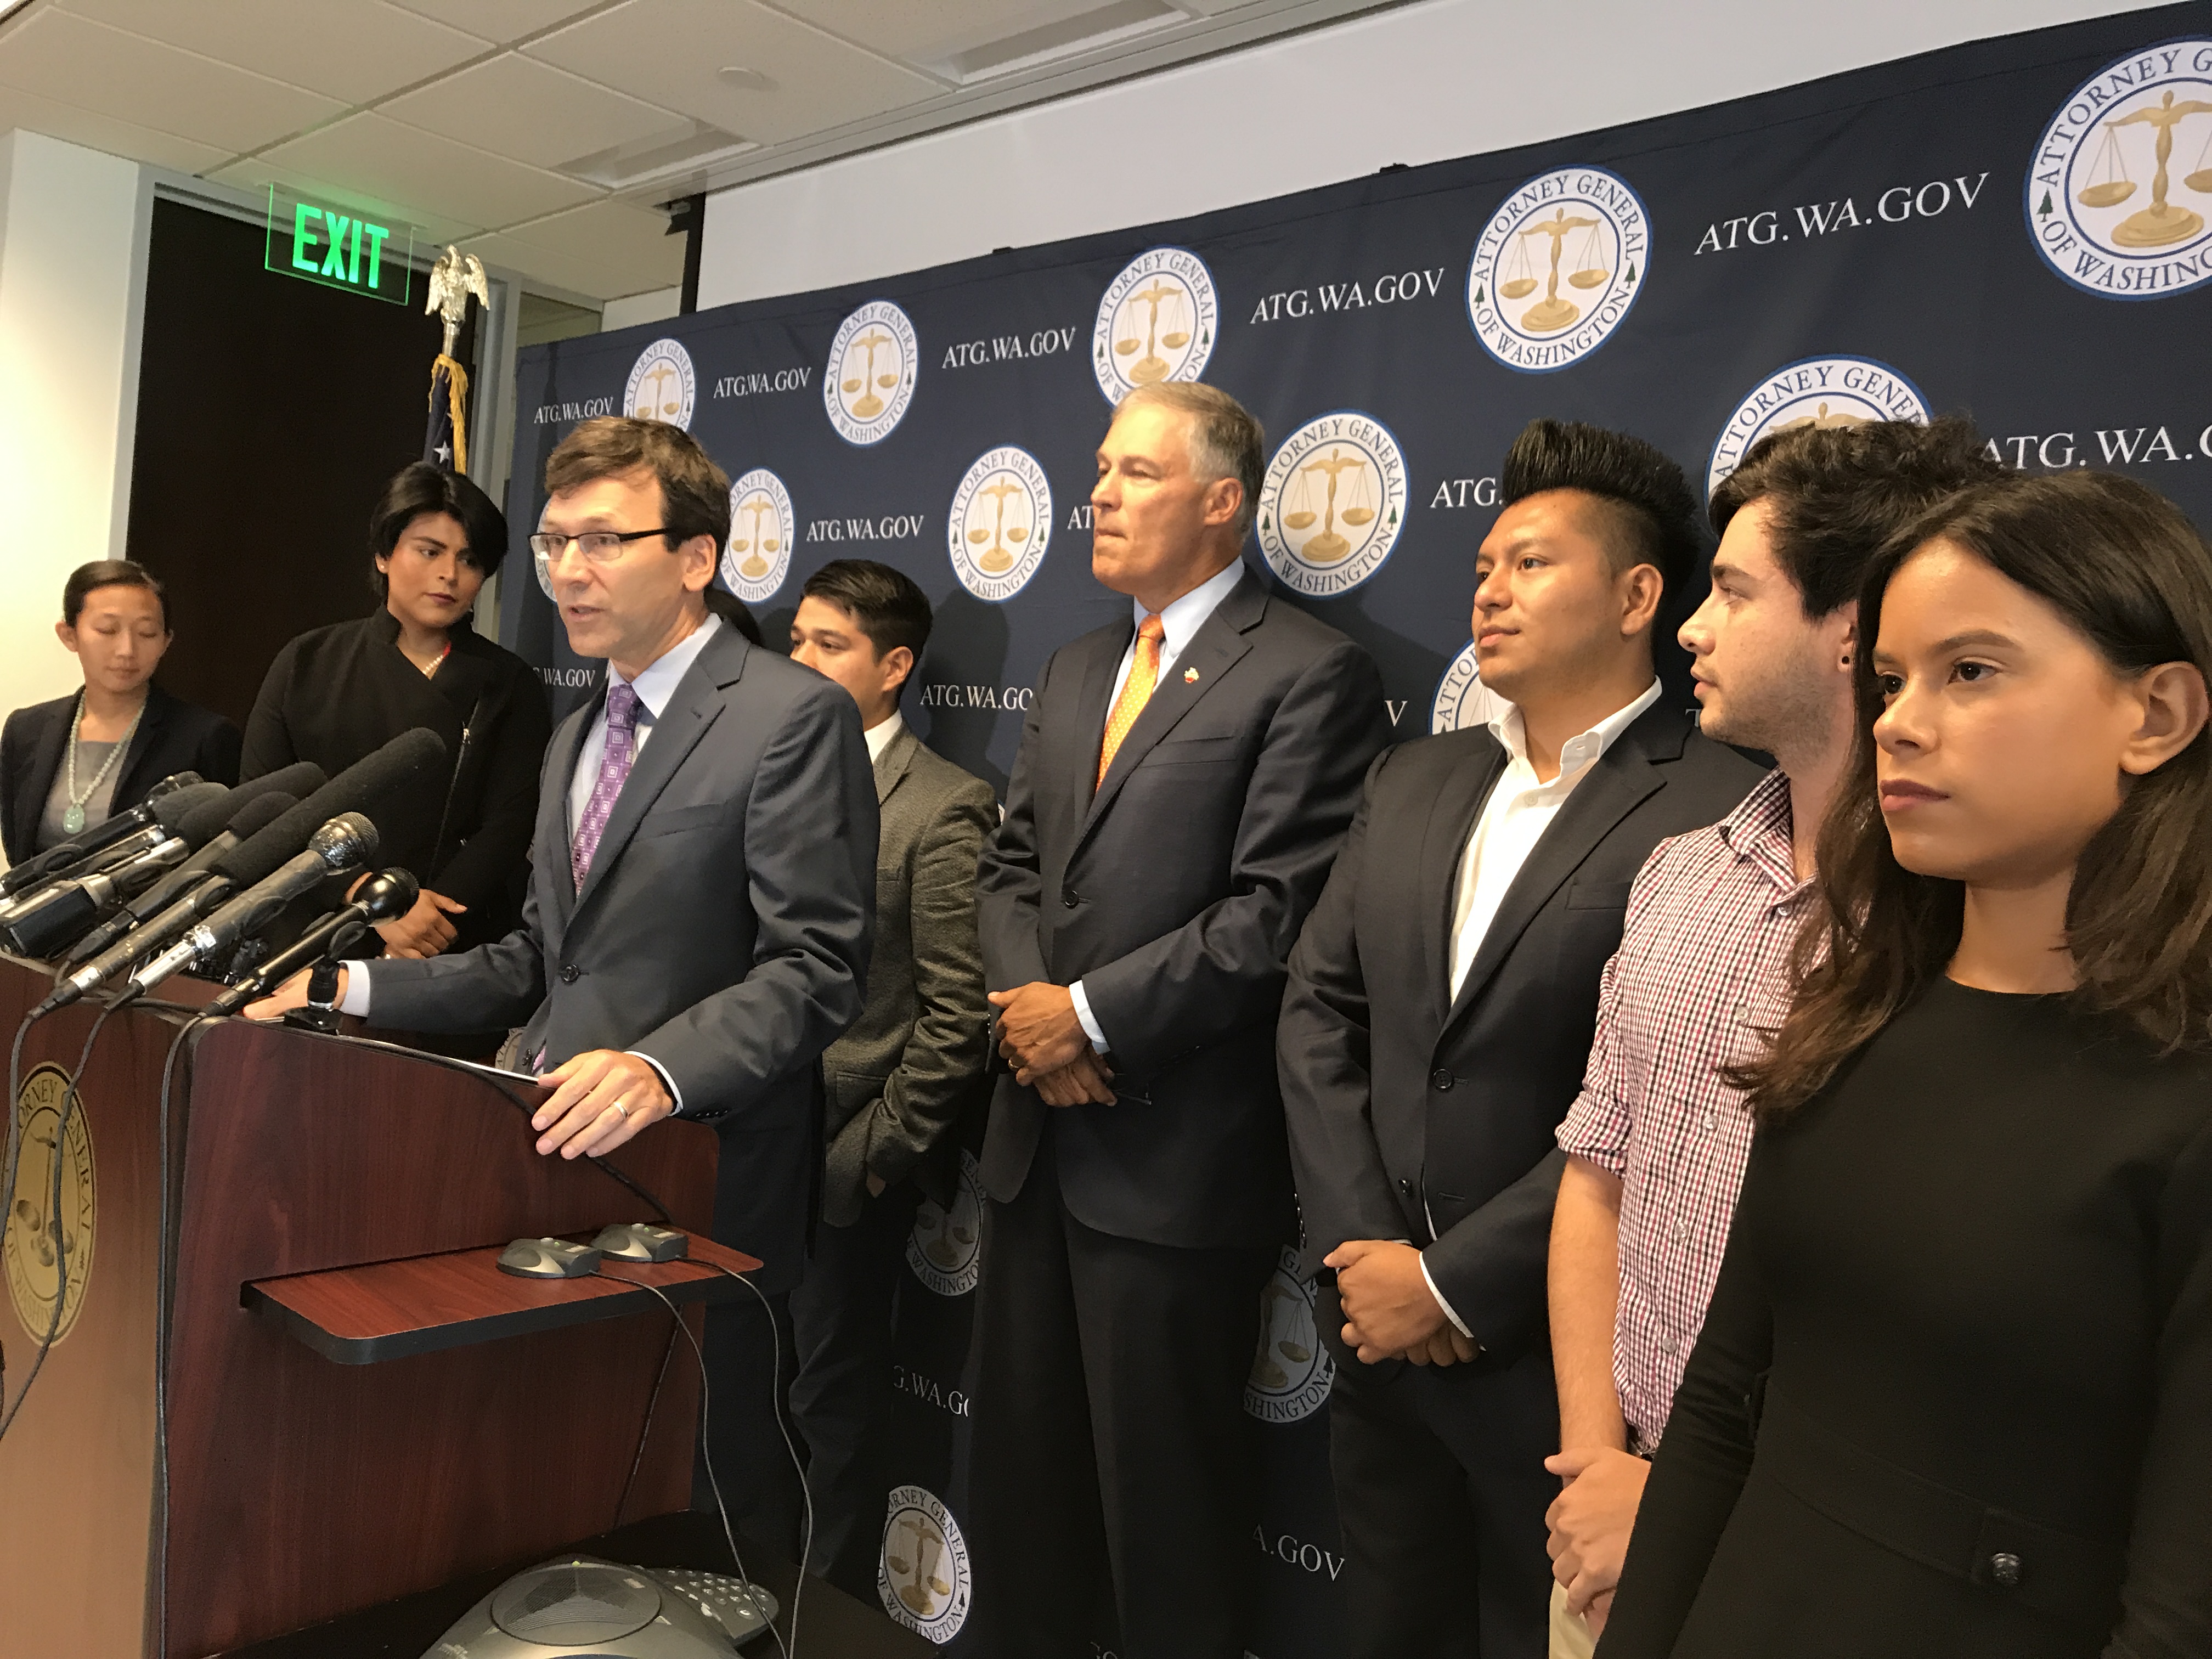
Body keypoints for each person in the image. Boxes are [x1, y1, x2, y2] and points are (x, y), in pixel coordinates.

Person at [1600, 470, 2212, 1657]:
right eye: (1889, 681)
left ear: (2160, 715)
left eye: (1970, 672)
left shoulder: (2182, 1103)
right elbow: (1724, 1408)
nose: (1899, 722)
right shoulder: (1853, 1015)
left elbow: (2182, 1607)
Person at [250, 417, 877, 1548]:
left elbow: (817, 965)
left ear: (696, 558)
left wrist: (658, 1067)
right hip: (550, 1173)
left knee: (712, 1495)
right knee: (579, 1495)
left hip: (705, 1179)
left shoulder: (791, 717)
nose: (568, 572)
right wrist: (343, 993)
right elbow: (540, 958)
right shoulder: (578, 731)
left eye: (602, 541)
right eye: (552, 545)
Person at [1277, 419, 1763, 1658]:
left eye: (1532, 565)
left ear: (1639, 595)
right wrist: (1366, 1257)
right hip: (1374, 1343)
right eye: (1485, 565)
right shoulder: (1415, 778)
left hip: (1572, 1381)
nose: (1490, 591)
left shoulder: (1724, 802)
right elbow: (1320, 1011)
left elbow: (1673, 1100)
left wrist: (1454, 1279)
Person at [1539, 419, 2004, 1655]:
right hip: (1606, 1527)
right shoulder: (1678, 874)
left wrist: (1682, 1503)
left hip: (1818, 1557)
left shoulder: (1988, 933)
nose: (1690, 627)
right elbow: (1598, 1175)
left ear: (1852, 628)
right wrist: (1596, 1466)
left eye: (1734, 591)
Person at [971, 380, 1389, 1659]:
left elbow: (1279, 915)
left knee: (1163, 1522)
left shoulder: (1309, 672)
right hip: (1034, 1153)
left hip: (1170, 1172)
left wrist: (1089, 1021)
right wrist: (1037, 1030)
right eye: (1099, 467)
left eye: (1136, 473)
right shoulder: (1077, 662)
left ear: (1223, 502)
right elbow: (1007, 871)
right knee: (1020, 1500)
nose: (1096, 492)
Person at [783, 558, 996, 1599]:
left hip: (836, 1160)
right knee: (734, 1394)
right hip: (734, 1146)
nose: (803, 662)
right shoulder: (763, 773)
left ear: (894, 666)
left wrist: (867, 1159)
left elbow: (958, 1015)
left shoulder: (945, 805)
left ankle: (814, 1622)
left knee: (831, 1410)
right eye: (797, 641)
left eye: (831, 645)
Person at [241, 462, 551, 958]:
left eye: (470, 560)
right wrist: (366, 896)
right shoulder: (308, 662)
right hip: (309, 927)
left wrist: (425, 918)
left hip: (444, 940)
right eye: (429, 552)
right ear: (385, 554)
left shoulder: (509, 684)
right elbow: (265, 805)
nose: (449, 574)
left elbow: (510, 824)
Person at [1, 560, 239, 862]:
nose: (126, 650)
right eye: (107, 630)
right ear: (69, 635)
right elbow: (17, 846)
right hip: (38, 908)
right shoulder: (26, 730)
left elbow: (217, 851)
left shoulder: (205, 737)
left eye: (147, 633)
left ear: (166, 642)